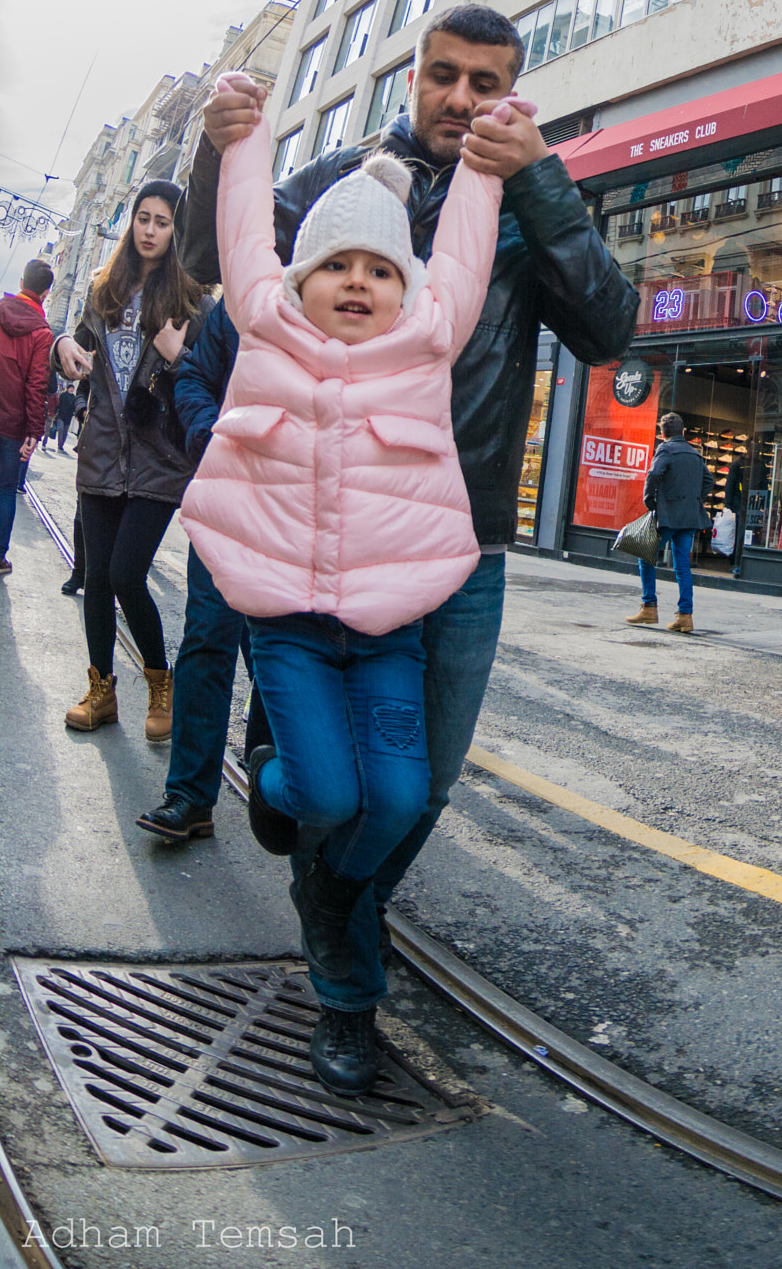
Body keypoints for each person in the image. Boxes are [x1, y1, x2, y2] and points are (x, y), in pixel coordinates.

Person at [177, 4, 637, 1092]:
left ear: (515, 90)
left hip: (461, 536)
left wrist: (542, 180)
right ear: (417, 76)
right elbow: (216, 261)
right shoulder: (341, 174)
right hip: (307, 538)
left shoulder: (525, 197)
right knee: (337, 782)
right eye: (445, 75)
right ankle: (347, 991)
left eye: (488, 81)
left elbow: (611, 329)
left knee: (419, 788)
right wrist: (217, 144)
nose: (463, 100)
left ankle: (335, 911)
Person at [180, 92, 505, 1095]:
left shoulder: (427, 340)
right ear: (299, 279)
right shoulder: (264, 323)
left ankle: (333, 887)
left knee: (399, 798)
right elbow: (240, 234)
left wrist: (488, 167)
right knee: (318, 792)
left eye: (378, 269)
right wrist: (239, 139)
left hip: (388, 627)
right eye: (336, 266)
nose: (358, 282)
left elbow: (459, 253)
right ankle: (275, 790)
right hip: (285, 625)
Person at [57, 179, 210, 738]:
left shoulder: (194, 299)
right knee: (97, 577)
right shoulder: (105, 287)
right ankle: (101, 693)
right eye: (142, 218)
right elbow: (75, 345)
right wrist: (60, 349)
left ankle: (159, 684)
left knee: (126, 574)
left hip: (157, 460)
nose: (149, 230)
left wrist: (178, 358)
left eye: (161, 221)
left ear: (176, 230)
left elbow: (212, 377)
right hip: (100, 453)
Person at [136, 298, 271, 845]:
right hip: (229, 495)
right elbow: (194, 375)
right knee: (207, 637)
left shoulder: (354, 294)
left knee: (282, 650)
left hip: (307, 512)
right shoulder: (244, 301)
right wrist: (208, 434)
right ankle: (191, 795)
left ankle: (274, 788)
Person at [627, 412, 714, 633]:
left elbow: (653, 474)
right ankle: (685, 616)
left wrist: (650, 501)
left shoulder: (665, 449)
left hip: (668, 516)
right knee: (682, 567)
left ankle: (649, 607)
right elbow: (709, 480)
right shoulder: (694, 454)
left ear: (662, 433)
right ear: (683, 432)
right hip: (689, 517)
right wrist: (695, 500)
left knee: (645, 556)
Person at [0, 260, 55, 575]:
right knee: (5, 488)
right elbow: (36, 386)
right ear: (46, 294)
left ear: (21, 283)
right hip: (13, 424)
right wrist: (35, 430)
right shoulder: (42, 332)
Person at [53, 383, 77, 454]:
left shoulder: (74, 397)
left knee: (65, 432)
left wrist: (75, 414)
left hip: (68, 417)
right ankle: (59, 445)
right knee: (61, 429)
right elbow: (58, 404)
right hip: (61, 415)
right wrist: (55, 412)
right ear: (68, 388)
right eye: (71, 388)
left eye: (73, 388)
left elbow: (74, 407)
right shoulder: (63, 395)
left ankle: (61, 445)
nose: (72, 389)